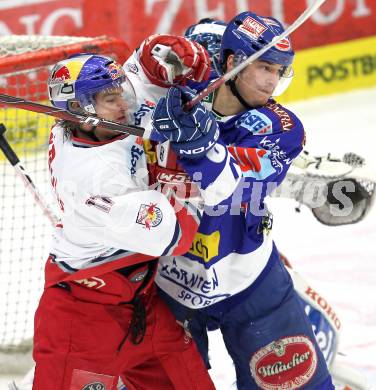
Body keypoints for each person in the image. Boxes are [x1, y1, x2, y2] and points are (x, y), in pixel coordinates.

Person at [150, 12, 335, 389]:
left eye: (278, 70)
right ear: (231, 63)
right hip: (168, 282)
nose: (272, 81)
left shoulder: (279, 127)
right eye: (265, 67)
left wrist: (200, 147)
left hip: (249, 280)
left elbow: (224, 187)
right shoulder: (166, 106)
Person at [32, 50, 220, 390]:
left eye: (121, 93)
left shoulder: (88, 128)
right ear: (78, 110)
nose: (123, 105)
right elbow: (178, 235)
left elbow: (142, 74)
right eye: (109, 98)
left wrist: (155, 50)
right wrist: (176, 161)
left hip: (143, 304)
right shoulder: (93, 178)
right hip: (83, 322)